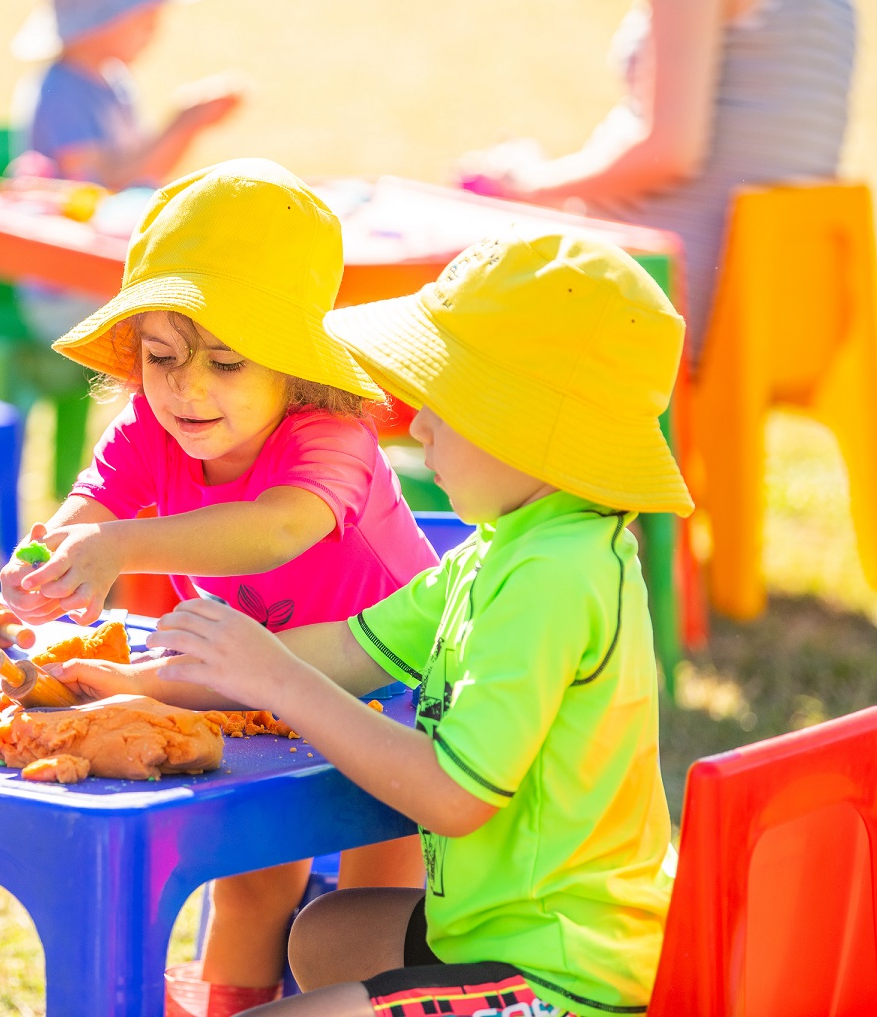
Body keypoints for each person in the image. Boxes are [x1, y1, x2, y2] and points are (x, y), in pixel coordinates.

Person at [118, 230, 693, 1016]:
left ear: (531, 428)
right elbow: (350, 651)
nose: (417, 429)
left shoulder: (553, 577)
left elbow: (454, 796)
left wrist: (274, 679)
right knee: (326, 936)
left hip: (561, 980)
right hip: (500, 931)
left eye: (446, 407)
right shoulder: (505, 549)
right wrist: (132, 683)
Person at [0, 159, 439, 1014]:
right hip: (255, 690)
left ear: (294, 369)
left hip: (400, 694)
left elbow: (278, 530)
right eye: (162, 358)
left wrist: (117, 545)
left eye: (228, 365)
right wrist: (50, 557)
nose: (187, 389)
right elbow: (91, 505)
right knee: (247, 886)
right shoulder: (151, 425)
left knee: (372, 897)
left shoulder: (332, 433)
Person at [459, 0, 857, 361]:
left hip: (664, 297)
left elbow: (671, 153)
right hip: (789, 308)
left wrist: (529, 184)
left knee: (438, 292)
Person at [10, 0, 245, 339]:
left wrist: (192, 126)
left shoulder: (114, 83)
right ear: (101, 17)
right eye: (146, 15)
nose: (156, 29)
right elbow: (103, 185)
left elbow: (144, 177)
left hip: (117, 275)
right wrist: (180, 122)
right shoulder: (61, 91)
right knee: (202, 329)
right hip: (69, 290)